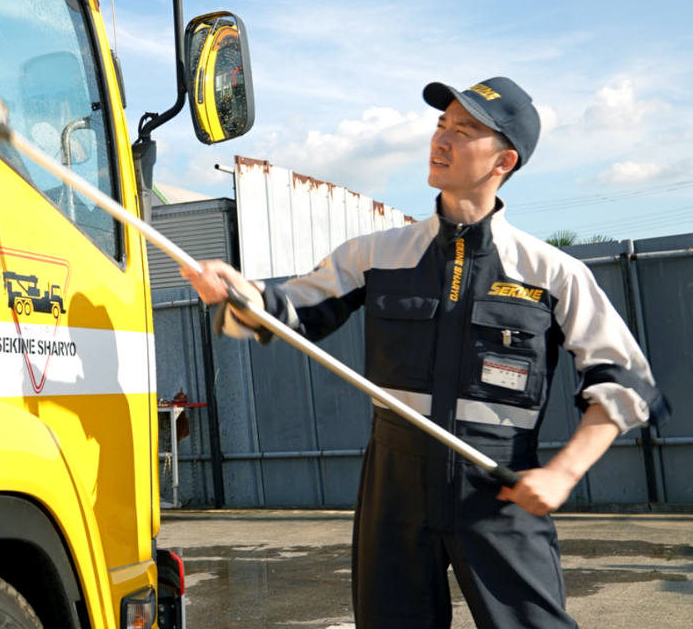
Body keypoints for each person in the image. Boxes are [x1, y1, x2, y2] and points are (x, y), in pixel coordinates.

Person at [181, 77, 669, 629]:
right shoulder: (375, 254)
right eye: (441, 125)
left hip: (498, 489)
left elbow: (625, 385)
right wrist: (235, 292)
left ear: (503, 160)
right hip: (394, 485)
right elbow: (284, 313)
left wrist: (563, 474)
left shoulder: (552, 273)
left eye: (463, 131)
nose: (441, 139)